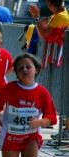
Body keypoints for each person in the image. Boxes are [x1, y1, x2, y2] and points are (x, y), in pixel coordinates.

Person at [0, 53, 57, 157]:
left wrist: (40, 122)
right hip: (10, 135)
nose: (25, 70)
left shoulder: (42, 92)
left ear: (36, 69)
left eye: (28, 66)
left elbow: (52, 118)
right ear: (16, 72)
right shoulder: (9, 88)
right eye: (21, 68)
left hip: (31, 136)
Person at [29, 0, 69, 139]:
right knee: (58, 93)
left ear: (52, 4)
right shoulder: (58, 15)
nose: (47, 7)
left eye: (48, 4)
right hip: (55, 59)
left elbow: (44, 34)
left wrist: (37, 17)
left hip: (58, 59)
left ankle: (66, 129)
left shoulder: (61, 17)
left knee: (62, 94)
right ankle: (62, 126)